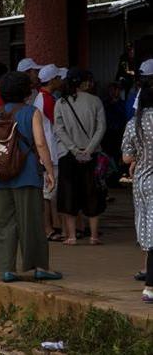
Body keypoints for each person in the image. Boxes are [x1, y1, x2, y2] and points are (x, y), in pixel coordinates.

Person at [0, 71, 61, 283]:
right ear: (27, 92)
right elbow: (40, 143)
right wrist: (49, 170)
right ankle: (38, 267)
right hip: (26, 174)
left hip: (0, 175)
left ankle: (6, 268)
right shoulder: (32, 112)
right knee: (32, 222)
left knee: (2, 223)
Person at [54, 68, 107, 245]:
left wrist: (74, 149)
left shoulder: (61, 102)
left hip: (68, 155)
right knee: (93, 193)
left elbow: (59, 129)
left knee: (69, 194)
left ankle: (71, 236)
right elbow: (101, 127)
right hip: (92, 155)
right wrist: (89, 149)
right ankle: (93, 236)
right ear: (84, 83)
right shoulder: (96, 101)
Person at [121, 82, 153, 302]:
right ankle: (150, 286)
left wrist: (140, 159)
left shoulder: (134, 123)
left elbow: (126, 157)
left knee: (148, 233)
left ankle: (149, 286)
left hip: (142, 181)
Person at [34, 64, 66, 241]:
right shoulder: (48, 100)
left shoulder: (42, 97)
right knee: (49, 193)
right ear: (53, 80)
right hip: (51, 152)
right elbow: (58, 124)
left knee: (49, 193)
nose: (61, 81)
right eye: (59, 78)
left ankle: (52, 226)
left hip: (49, 150)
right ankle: (50, 228)